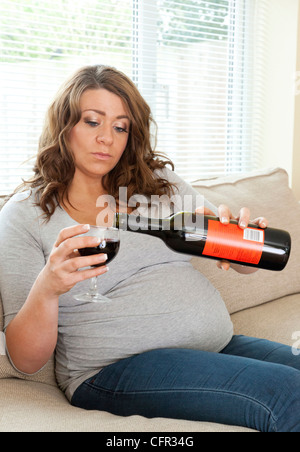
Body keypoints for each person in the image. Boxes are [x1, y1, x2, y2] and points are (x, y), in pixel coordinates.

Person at [0, 65, 299, 433]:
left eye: (120, 126)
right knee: (290, 395)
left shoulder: (159, 184)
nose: (106, 138)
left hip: (215, 347)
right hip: (113, 370)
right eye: (92, 121)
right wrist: (48, 287)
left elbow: (243, 266)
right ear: (65, 126)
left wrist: (236, 243)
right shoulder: (25, 215)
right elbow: (24, 360)